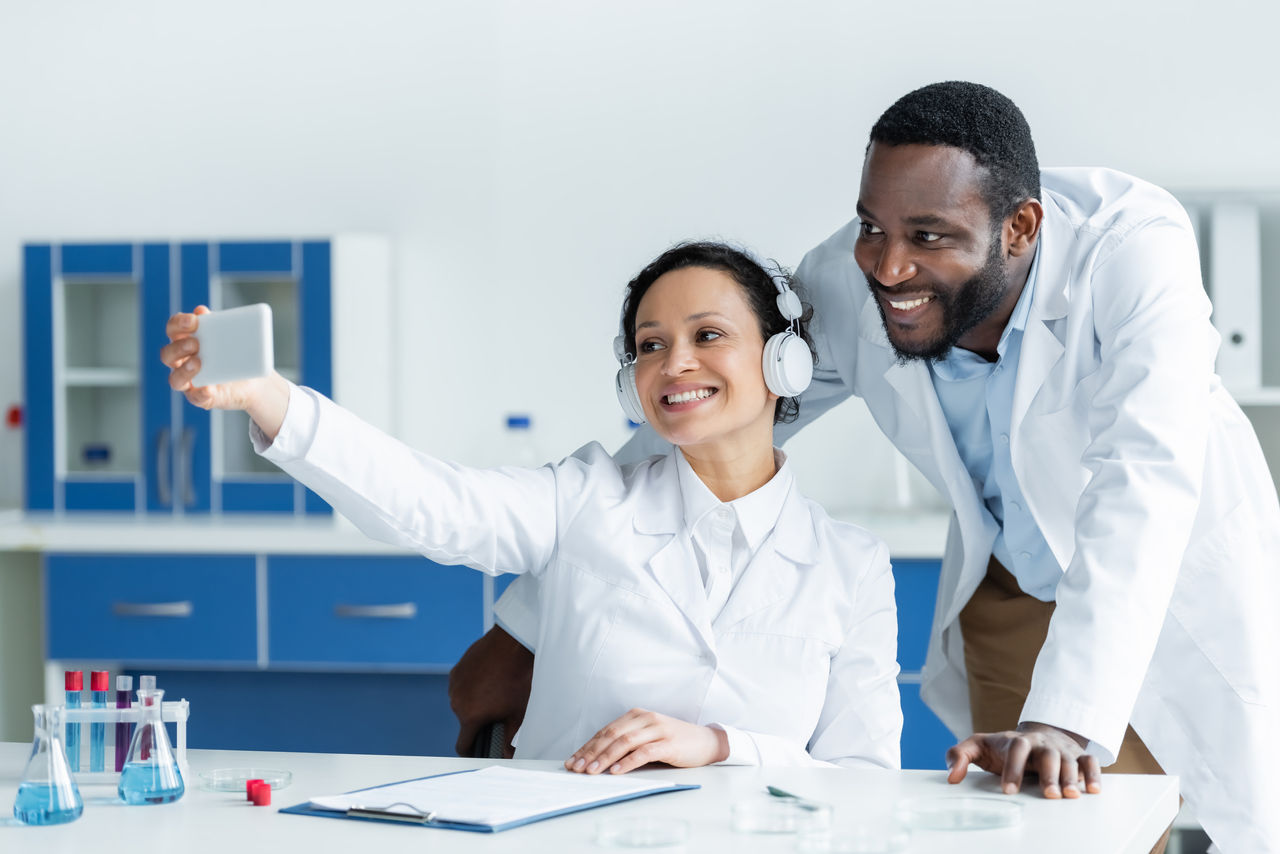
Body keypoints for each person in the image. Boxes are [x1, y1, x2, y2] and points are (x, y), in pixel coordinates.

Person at [455, 83, 1279, 852]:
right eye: (871, 227)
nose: (888, 268)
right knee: (1037, 836)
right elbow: (703, 421)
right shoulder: (846, 287)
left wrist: (1066, 719)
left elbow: (1144, 477)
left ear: (1021, 229)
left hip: (1174, 579)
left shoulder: (1132, 252)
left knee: (1232, 819)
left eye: (928, 237)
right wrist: (530, 620)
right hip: (1013, 586)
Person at [160, 242, 903, 772]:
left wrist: (722, 746)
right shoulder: (585, 500)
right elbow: (430, 504)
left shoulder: (852, 566)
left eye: (708, 335)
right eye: (649, 345)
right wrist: (268, 397)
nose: (674, 364)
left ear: (785, 359)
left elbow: (864, 781)